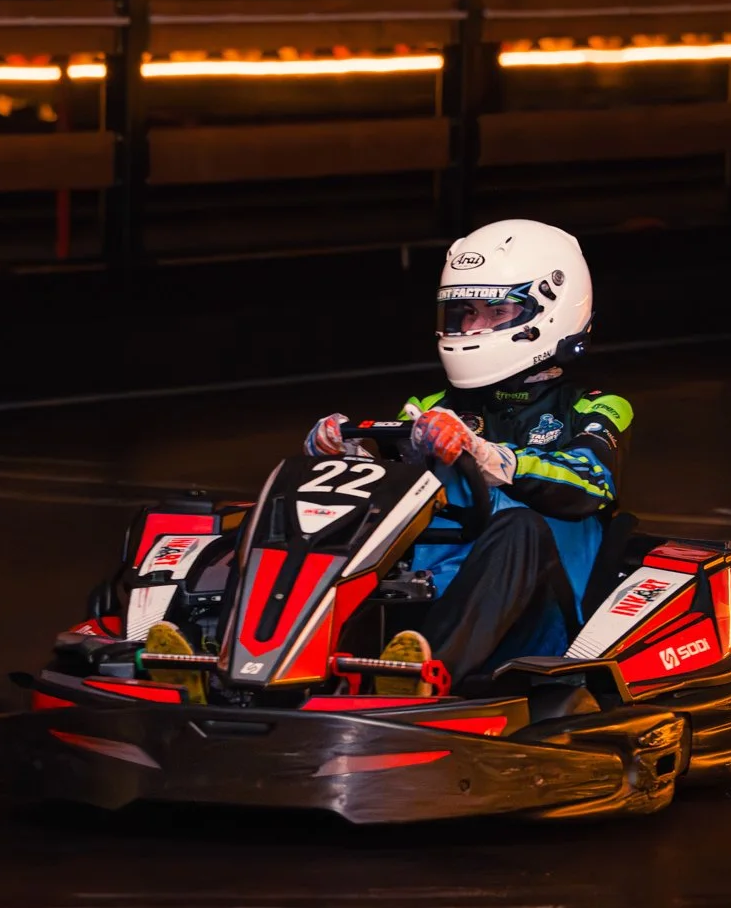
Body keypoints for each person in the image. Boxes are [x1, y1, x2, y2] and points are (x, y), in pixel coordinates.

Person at [144, 219, 631, 699]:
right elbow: (387, 486)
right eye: (466, 313)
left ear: (549, 313)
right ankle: (229, 658)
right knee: (291, 511)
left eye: (495, 312)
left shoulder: (594, 408)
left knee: (520, 527)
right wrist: (346, 455)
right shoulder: (430, 408)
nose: (472, 327)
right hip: (422, 599)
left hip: (534, 618)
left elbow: (589, 483)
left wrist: (490, 456)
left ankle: (425, 675)